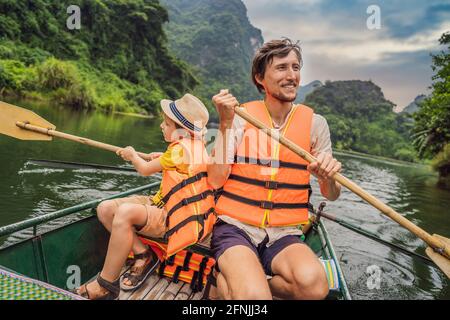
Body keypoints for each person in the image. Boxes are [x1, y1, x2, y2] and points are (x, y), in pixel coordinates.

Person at [207, 38, 342, 300]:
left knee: (315, 287)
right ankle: (239, 282)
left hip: (284, 232)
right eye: (281, 68)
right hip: (236, 226)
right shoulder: (239, 118)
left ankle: (242, 281)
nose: (292, 75)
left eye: (296, 67)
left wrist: (330, 177)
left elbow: (331, 194)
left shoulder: (316, 124)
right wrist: (224, 124)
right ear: (260, 78)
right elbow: (215, 179)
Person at [75, 93, 215, 299]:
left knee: (123, 213)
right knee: (105, 209)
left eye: (166, 124)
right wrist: (161, 157)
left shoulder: (179, 150)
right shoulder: (191, 146)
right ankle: (143, 254)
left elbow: (145, 170)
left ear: (182, 132)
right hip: (162, 204)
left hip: (175, 219)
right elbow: (178, 166)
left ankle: (105, 284)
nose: (161, 126)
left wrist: (132, 155)